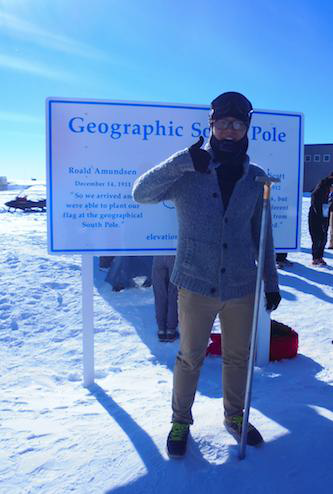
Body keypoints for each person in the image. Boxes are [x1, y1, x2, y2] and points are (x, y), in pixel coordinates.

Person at [132, 91, 281, 458]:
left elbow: (263, 235)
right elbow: (141, 193)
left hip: (240, 288)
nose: (230, 131)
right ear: (211, 125)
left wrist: (271, 283)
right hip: (196, 285)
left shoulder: (256, 178)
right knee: (190, 356)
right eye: (223, 123)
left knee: (237, 357)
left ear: (246, 128)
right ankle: (180, 420)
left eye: (238, 124)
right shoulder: (189, 171)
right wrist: (182, 160)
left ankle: (235, 416)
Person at [152, 256, 179, 342]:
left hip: (158, 254)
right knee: (173, 293)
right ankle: (171, 330)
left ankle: (161, 329)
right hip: (175, 254)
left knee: (159, 293)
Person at [308, 176, 333, 265]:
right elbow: (314, 199)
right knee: (316, 237)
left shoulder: (329, 192)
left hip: (325, 215)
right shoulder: (322, 187)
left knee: (323, 237)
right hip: (316, 215)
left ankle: (320, 257)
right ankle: (315, 258)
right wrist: (319, 214)